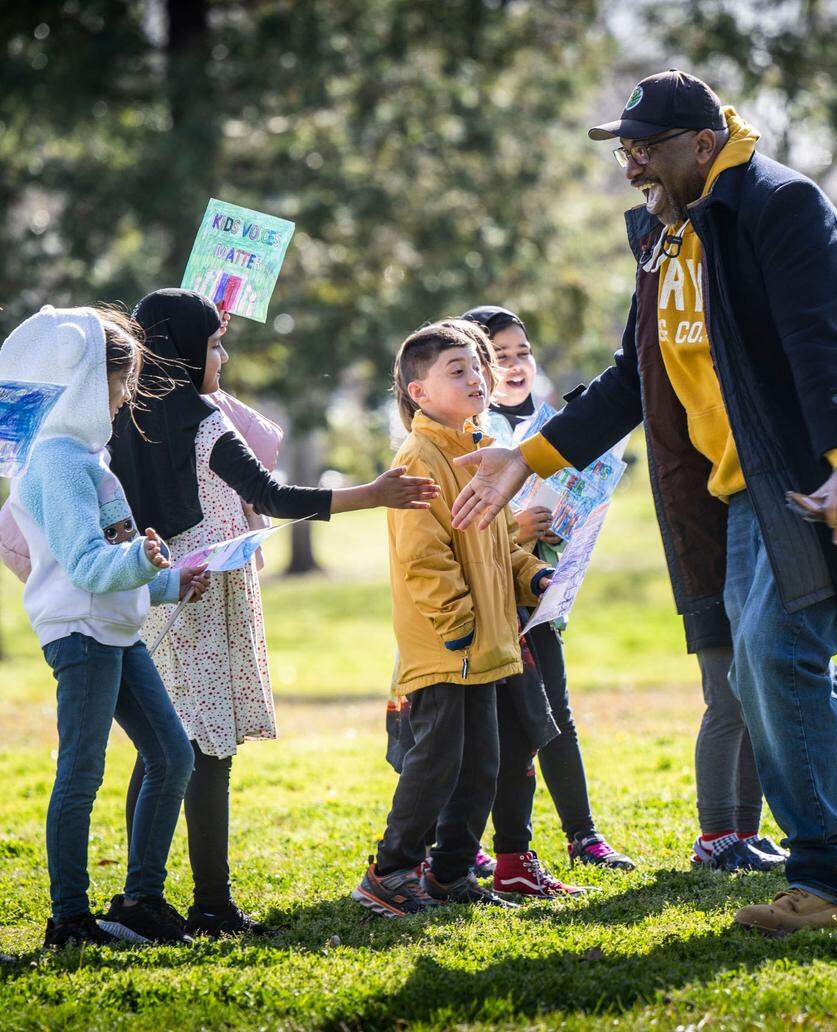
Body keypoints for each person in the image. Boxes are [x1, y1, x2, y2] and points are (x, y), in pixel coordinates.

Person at [448, 70, 837, 935]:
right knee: (757, 670)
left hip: (826, 479)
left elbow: (828, 341)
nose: (633, 165)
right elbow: (639, 373)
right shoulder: (667, 241)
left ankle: (829, 882)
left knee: (776, 660)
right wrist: (529, 456)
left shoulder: (782, 206)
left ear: (704, 145)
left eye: (647, 148)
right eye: (625, 149)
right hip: (743, 494)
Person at [110, 288, 439, 936]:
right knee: (210, 752)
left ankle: (141, 893)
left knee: (159, 751)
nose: (224, 356)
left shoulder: (122, 421)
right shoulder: (206, 421)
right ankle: (212, 903)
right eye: (214, 346)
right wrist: (372, 492)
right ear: (182, 353)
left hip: (153, 595)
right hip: (210, 602)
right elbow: (272, 492)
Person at [2, 305, 208, 948]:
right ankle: (68, 919)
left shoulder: (90, 460)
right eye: (123, 382)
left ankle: (142, 898)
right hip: (82, 635)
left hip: (115, 629)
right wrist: (139, 557)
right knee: (82, 771)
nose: (127, 396)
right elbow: (90, 566)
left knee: (172, 754)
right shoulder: (58, 463)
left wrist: (169, 580)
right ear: (92, 380)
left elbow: (112, 554)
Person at [352, 321, 553, 918]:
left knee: (482, 762)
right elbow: (424, 557)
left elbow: (493, 541)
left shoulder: (477, 449)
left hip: (485, 642)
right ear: (419, 393)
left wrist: (530, 575)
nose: (477, 378)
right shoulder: (419, 459)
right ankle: (390, 871)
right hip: (448, 645)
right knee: (437, 761)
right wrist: (457, 622)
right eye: (458, 370)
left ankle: (450, 874)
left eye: (478, 366)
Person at [464, 305, 643, 891]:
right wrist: (516, 527)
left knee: (555, 717)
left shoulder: (560, 424)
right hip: (484, 604)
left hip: (543, 599)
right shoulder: (466, 434)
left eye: (522, 353)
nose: (514, 366)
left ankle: (583, 834)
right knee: (489, 726)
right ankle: (473, 849)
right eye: (499, 357)